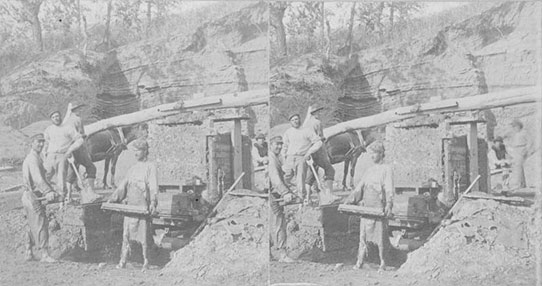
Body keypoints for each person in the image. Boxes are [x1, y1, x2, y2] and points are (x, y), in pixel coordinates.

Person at [108, 139, 158, 270]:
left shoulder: (150, 167)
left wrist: (153, 202)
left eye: (139, 150)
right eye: (134, 150)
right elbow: (123, 186)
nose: (136, 153)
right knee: (126, 235)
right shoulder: (132, 168)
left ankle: (146, 261)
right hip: (131, 206)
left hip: (142, 206)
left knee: (143, 236)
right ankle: (123, 260)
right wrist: (112, 199)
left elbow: (153, 186)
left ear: (145, 151)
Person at [345, 141, 394, 271]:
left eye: (374, 153)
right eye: (370, 154)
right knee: (363, 236)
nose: (372, 156)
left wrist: (389, 203)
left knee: (380, 236)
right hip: (367, 206)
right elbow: (360, 187)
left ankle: (383, 262)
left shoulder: (386, 169)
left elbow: (389, 187)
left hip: (378, 206)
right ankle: (359, 261)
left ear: (381, 154)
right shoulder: (369, 170)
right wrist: (350, 199)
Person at [22, 133, 61, 263]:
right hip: (33, 196)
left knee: (31, 223)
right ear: (31, 143)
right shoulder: (33, 159)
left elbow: (43, 176)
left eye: (42, 142)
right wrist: (48, 191)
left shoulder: (35, 158)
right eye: (38, 142)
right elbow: (38, 179)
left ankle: (28, 251)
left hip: (28, 195)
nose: (41, 144)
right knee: (41, 223)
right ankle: (44, 255)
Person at [43, 110, 86, 204]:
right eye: (53, 117)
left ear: (60, 117)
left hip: (62, 156)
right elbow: (46, 143)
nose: (56, 118)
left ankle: (61, 202)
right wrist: (44, 153)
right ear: (51, 119)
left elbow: (79, 139)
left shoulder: (67, 128)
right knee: (45, 176)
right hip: (50, 156)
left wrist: (70, 150)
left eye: (57, 116)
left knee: (61, 179)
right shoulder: (49, 129)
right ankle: (45, 197)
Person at [303, 106, 340, 205]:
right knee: (330, 170)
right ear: (315, 113)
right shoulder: (317, 123)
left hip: (308, 150)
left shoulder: (306, 124)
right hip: (317, 150)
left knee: (311, 174)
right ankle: (330, 194)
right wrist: (324, 139)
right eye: (319, 112)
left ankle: (307, 198)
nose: (320, 113)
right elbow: (320, 137)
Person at [62, 102, 100, 200]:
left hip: (68, 149)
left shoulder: (66, 122)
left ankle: (68, 196)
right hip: (78, 147)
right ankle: (91, 192)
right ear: (76, 110)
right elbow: (81, 134)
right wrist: (84, 136)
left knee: (71, 172)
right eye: (79, 108)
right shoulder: (78, 119)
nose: (81, 110)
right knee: (91, 167)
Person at [282, 114, 323, 203]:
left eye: (296, 119)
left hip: (301, 157)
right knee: (284, 177)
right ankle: (288, 195)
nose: (295, 121)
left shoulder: (306, 131)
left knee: (300, 179)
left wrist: (309, 152)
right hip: (289, 157)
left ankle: (301, 199)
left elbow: (318, 142)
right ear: (290, 122)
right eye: (293, 120)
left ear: (300, 120)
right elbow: (285, 145)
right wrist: (283, 156)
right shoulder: (288, 132)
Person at [268, 135, 296, 263]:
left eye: (281, 144)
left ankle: (269, 254)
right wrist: (285, 192)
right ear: (271, 144)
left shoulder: (277, 158)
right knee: (279, 221)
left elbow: (283, 177)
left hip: (273, 193)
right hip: (271, 194)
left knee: (273, 222)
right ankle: (283, 255)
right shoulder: (271, 159)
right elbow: (275, 179)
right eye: (276, 144)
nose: (279, 146)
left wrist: (292, 189)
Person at [507, 119, 534, 190]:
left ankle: (517, 185)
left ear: (518, 126)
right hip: (515, 150)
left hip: (521, 150)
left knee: (518, 167)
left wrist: (526, 150)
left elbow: (530, 142)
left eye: (514, 126)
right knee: (518, 167)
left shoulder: (524, 132)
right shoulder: (515, 134)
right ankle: (522, 184)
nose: (513, 128)